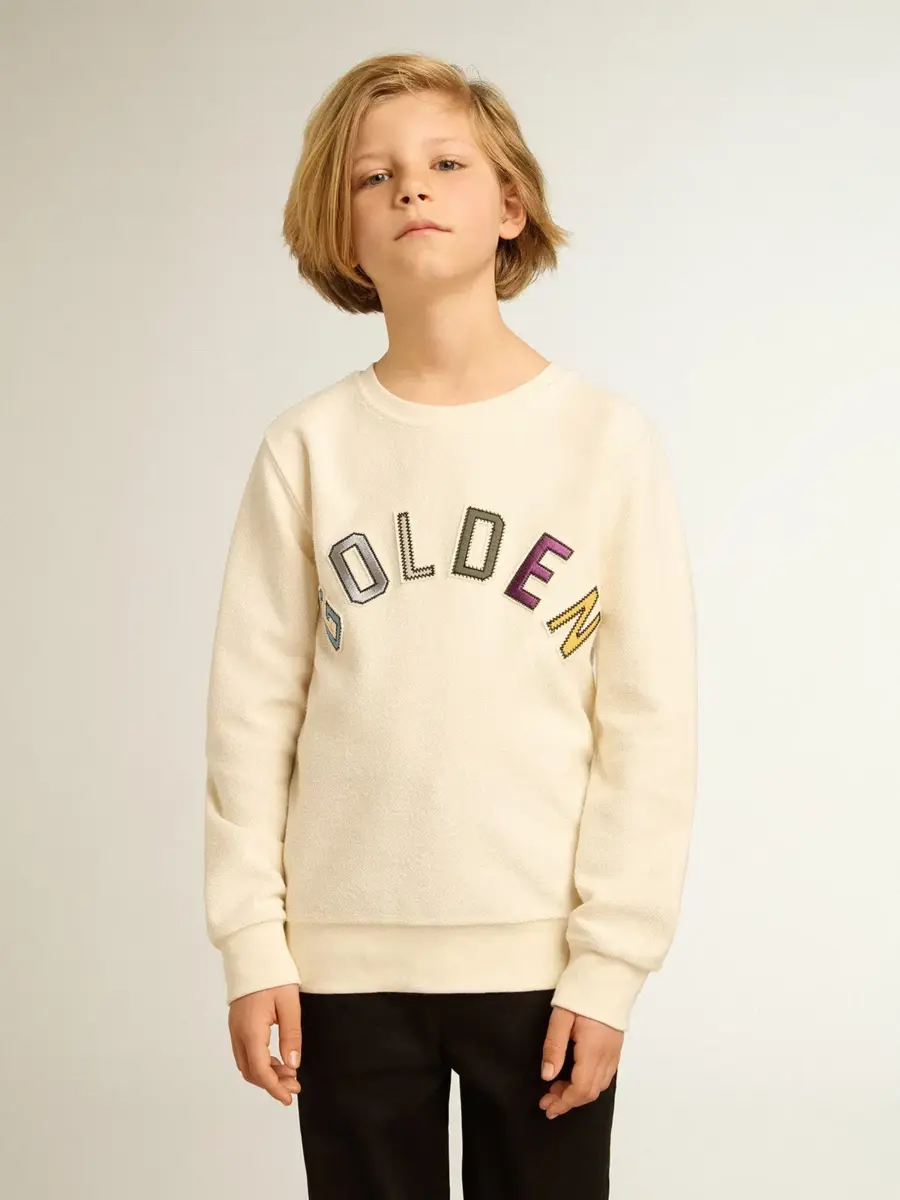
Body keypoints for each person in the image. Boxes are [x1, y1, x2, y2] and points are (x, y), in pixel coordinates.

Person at [202, 50, 698, 1199]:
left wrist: (611, 964)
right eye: (372, 177)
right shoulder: (308, 450)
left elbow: (649, 726)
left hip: (546, 966)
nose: (410, 188)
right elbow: (249, 716)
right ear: (343, 234)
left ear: (510, 204)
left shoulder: (606, 443)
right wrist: (253, 944)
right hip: (342, 969)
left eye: (445, 164)